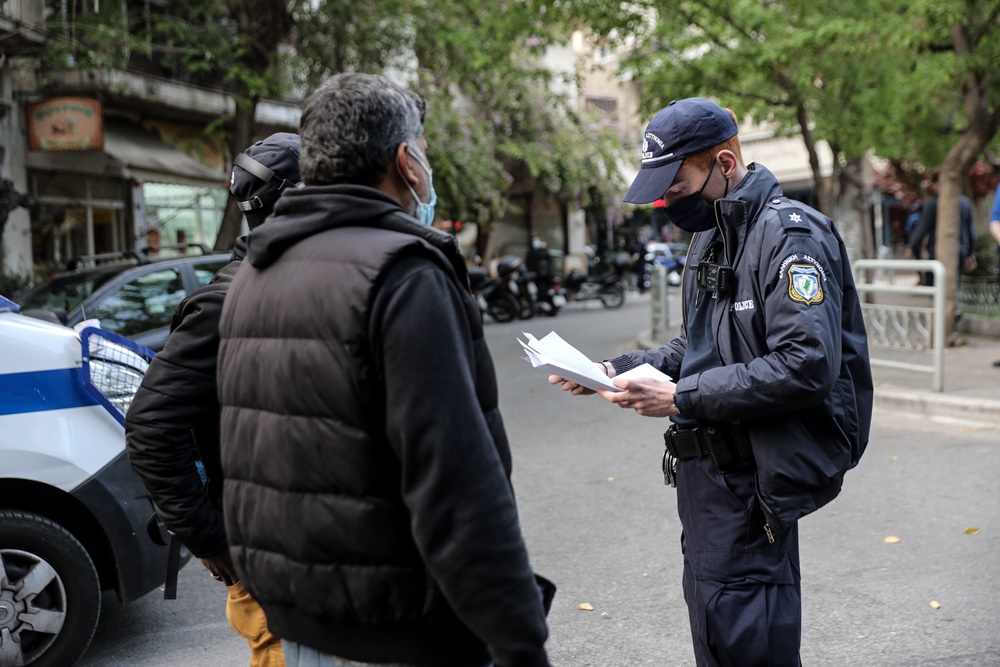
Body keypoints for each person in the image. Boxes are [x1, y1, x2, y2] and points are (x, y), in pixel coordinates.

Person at [216, 73, 553, 667]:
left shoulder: (254, 275)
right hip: (399, 629)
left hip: (298, 623)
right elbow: (455, 486)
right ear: (407, 160)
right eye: (421, 147)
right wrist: (519, 641)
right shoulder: (403, 274)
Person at [549, 97, 873, 667]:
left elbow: (807, 363)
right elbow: (696, 346)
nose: (668, 202)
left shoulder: (789, 237)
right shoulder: (710, 238)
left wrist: (680, 396)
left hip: (753, 483)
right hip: (706, 489)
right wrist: (615, 369)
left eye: (676, 187)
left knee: (751, 641)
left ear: (725, 164)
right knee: (717, 638)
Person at [126, 132, 302, 667]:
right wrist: (208, 537)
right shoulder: (228, 301)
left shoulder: (301, 285)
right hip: (265, 559)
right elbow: (151, 425)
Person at [906, 172, 977, 285]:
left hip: (938, 252)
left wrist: (912, 247)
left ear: (937, 184)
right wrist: (970, 254)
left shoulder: (934, 203)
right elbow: (971, 231)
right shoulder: (964, 202)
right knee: (953, 285)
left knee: (934, 286)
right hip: (961, 251)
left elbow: (922, 229)